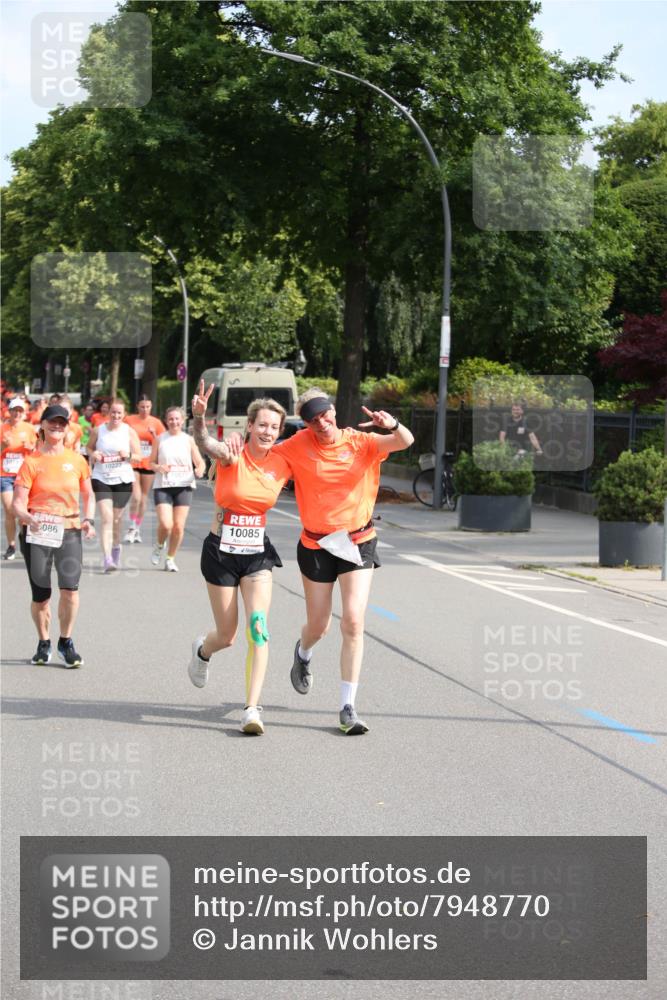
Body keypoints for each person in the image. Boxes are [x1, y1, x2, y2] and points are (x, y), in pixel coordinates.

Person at [273, 388, 414, 735]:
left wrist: (391, 423)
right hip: (317, 544)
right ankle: (303, 652)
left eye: (324, 414)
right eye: (312, 419)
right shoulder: (295, 445)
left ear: (334, 411)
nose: (321, 423)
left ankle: (347, 707)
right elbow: (261, 458)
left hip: (357, 541)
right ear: (305, 423)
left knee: (352, 621)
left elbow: (405, 441)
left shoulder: (362, 442)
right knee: (319, 625)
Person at [191, 384, 290, 735]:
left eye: (274, 427)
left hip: (256, 556)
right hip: (220, 553)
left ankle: (251, 709)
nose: (267, 432)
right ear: (249, 426)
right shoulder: (231, 454)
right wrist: (199, 416)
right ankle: (203, 651)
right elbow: (204, 443)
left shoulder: (282, 462)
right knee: (228, 635)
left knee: (258, 628)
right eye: (262, 425)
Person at [12, 404, 96, 667]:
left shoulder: (77, 460)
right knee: (41, 595)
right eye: (52, 423)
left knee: (70, 590)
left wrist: (88, 519)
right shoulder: (31, 462)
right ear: (43, 426)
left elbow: (88, 495)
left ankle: (66, 642)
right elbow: (17, 502)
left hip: (69, 531)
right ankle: (43, 641)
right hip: (37, 533)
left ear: (67, 427)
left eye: (62, 423)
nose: (57, 427)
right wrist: (26, 517)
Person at [87, 399, 142, 573]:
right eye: (113, 412)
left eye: (119, 413)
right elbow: (88, 448)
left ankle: (116, 547)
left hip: (123, 479)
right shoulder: (99, 430)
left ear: (124, 414)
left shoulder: (129, 432)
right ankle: (107, 558)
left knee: (117, 520)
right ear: (108, 413)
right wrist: (93, 453)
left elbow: (139, 456)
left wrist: (129, 455)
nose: (116, 415)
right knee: (106, 518)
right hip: (101, 477)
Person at [149, 406, 205, 572]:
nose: (174, 422)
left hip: (184, 486)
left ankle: (170, 558)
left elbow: (200, 462)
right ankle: (159, 545)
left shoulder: (188, 440)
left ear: (182, 420)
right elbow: (150, 463)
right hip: (163, 486)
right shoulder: (160, 439)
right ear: (166, 421)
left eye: (177, 419)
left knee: (178, 526)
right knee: (166, 524)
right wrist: (159, 467)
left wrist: (199, 470)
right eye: (171, 419)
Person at [124, 394, 165, 543]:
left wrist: (155, 435)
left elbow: (163, 442)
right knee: (136, 496)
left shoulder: (156, 422)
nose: (145, 409)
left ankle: (137, 528)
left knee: (144, 497)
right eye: (142, 406)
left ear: (151, 407)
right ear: (137, 407)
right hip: (133, 462)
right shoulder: (129, 420)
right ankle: (131, 526)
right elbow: (120, 435)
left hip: (148, 463)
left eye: (147, 406)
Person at [1, 398, 38, 559]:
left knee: (23, 510)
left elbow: (41, 446)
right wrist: (3, 446)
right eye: (14, 410)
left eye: (20, 411)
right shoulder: (2, 428)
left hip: (24, 475)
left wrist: (32, 447)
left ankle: (24, 538)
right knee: (10, 510)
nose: (17, 413)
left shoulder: (30, 428)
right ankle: (11, 545)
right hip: (5, 475)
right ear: (9, 411)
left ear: (24, 413)